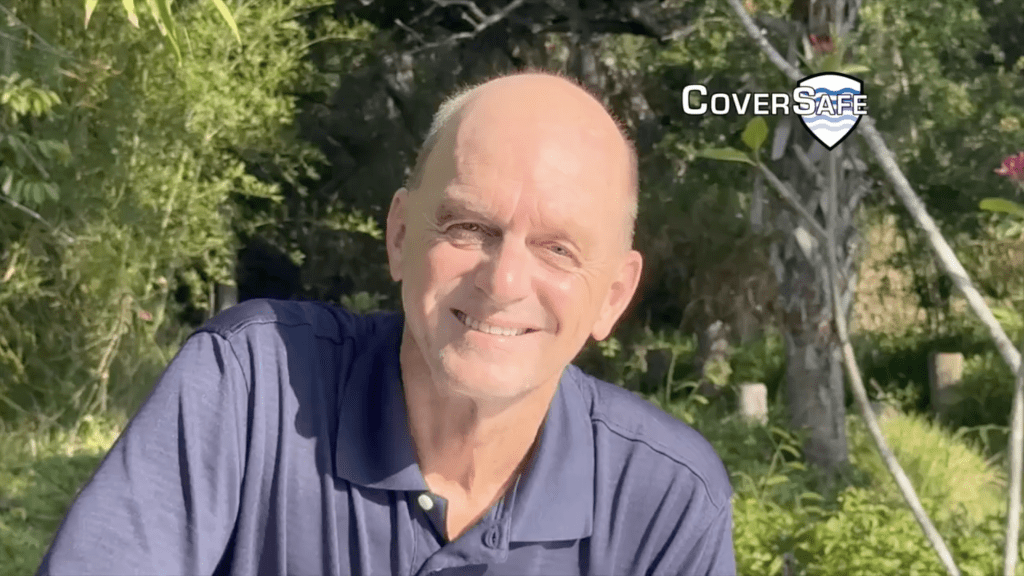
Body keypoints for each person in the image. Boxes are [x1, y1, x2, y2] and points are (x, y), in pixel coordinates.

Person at [37, 71, 736, 576]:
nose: (504, 281)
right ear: (400, 236)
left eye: (558, 249)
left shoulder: (663, 502)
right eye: (469, 226)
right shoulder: (252, 389)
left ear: (613, 295)